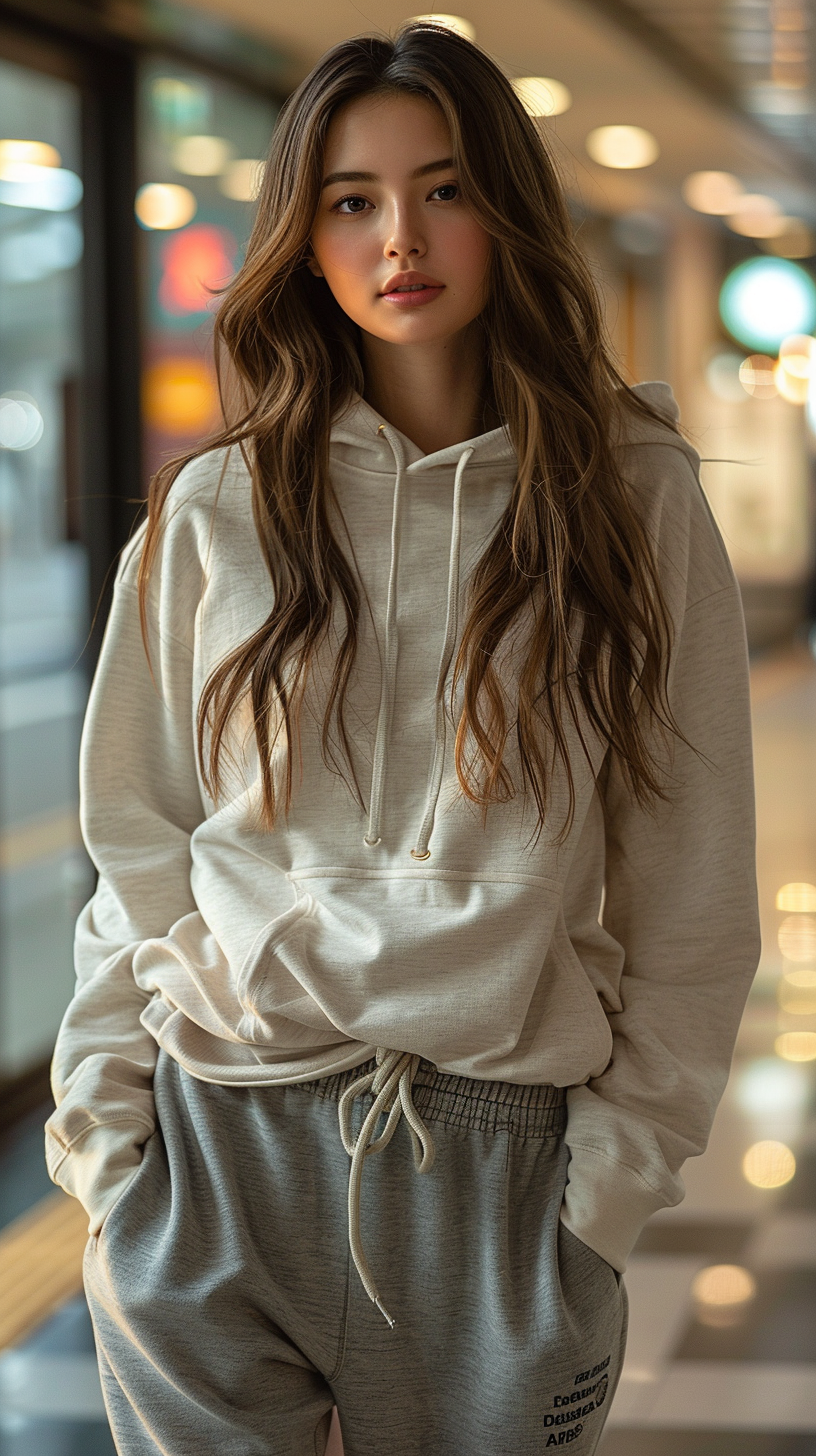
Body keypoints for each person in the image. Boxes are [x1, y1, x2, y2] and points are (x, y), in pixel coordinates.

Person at [46, 21, 760, 1456]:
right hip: (217, 1151)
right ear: (303, 235)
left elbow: (691, 888)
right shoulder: (213, 512)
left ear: (507, 207)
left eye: (444, 188)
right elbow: (138, 844)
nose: (401, 238)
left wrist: (602, 1208)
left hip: (500, 1175)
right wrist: (112, 1158)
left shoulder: (633, 495)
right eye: (352, 200)